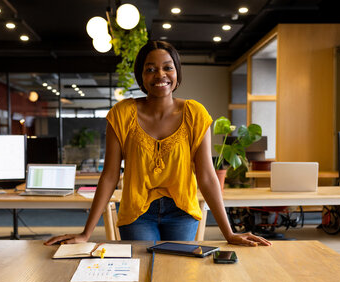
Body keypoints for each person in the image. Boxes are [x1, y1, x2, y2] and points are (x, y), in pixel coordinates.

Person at [45, 40, 271, 247]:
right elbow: (110, 175)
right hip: (136, 212)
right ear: (141, 76)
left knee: (177, 277)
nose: (160, 75)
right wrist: (86, 234)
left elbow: (206, 176)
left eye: (167, 67)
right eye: (150, 69)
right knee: (140, 275)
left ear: (177, 72)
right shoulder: (122, 113)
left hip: (182, 211)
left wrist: (229, 234)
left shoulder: (195, 113)